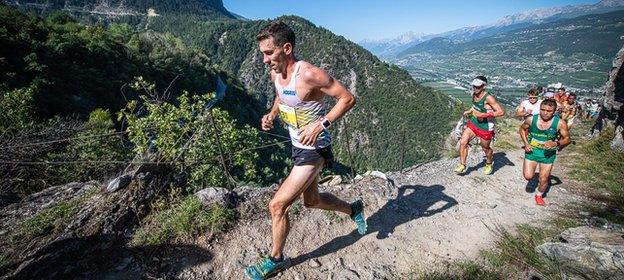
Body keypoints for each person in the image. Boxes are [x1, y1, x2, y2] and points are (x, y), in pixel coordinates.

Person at [245, 21, 367, 280]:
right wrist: (271, 113)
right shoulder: (276, 73)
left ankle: (275, 260)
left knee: (277, 205)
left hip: (315, 148)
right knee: (311, 201)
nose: (265, 60)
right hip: (297, 146)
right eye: (262, 54)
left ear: (286, 48)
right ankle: (353, 209)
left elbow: (348, 98)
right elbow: (281, 96)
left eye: (269, 53)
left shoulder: (310, 74)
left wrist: (320, 124)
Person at [519, 99, 571, 206]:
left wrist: (556, 144)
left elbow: (567, 139)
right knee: (528, 176)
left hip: (548, 154)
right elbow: (522, 129)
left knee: (543, 179)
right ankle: (536, 175)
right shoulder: (531, 119)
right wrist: (526, 143)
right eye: (542, 110)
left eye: (549, 111)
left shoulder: (560, 123)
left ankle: (539, 195)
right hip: (532, 151)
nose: (545, 113)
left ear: (554, 111)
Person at [454, 75, 505, 175]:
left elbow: (501, 112)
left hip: (486, 126)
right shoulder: (474, 94)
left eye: (477, 86)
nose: (475, 88)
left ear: (484, 86)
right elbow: (475, 107)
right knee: (463, 142)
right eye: (474, 86)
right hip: (474, 122)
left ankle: (489, 163)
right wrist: (469, 111)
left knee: (485, 148)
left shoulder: (489, 98)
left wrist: (484, 115)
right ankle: (462, 164)